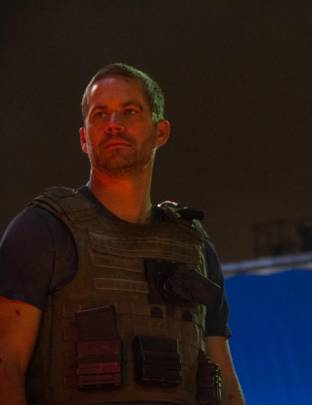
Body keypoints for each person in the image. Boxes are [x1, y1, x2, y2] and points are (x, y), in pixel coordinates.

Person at [0, 63, 245, 405]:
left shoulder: (194, 248)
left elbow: (225, 382)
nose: (113, 124)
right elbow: (5, 365)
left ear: (161, 131)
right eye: (100, 114)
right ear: (84, 138)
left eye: (130, 111)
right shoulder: (43, 230)